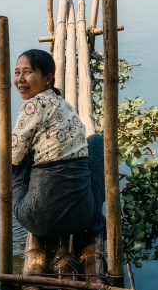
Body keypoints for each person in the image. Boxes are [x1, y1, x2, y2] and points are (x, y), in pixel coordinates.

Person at [7, 48, 105, 239]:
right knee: (96, 141)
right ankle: (96, 217)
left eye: (28, 72)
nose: (20, 79)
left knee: (9, 162)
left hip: (38, 220)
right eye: (17, 72)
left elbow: (12, 159)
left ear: (48, 78)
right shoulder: (65, 105)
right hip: (83, 218)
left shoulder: (31, 105)